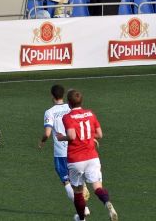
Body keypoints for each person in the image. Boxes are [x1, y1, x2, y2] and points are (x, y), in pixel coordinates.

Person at [56, 89, 118, 221]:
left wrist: (61, 137)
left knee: (78, 191)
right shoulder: (90, 113)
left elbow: (72, 135)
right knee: (97, 187)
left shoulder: (67, 117)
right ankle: (107, 203)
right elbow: (100, 134)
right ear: (81, 101)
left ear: (69, 103)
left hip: (76, 159)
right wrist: (88, 137)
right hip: (92, 157)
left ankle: (81, 218)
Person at [39, 84, 91, 217]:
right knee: (76, 180)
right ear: (63, 96)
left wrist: (42, 141)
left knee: (66, 181)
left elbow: (47, 133)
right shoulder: (71, 107)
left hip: (61, 153)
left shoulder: (49, 112)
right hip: (75, 149)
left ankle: (83, 209)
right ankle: (82, 191)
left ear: (52, 96)